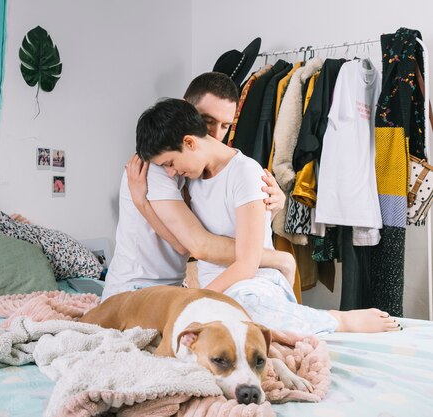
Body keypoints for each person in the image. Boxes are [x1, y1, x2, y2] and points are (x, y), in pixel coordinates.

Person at [134, 97, 401, 334]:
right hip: (215, 285)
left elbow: (247, 265)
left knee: (251, 313)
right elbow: (185, 243)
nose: (170, 172)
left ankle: (339, 321)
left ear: (190, 143)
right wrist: (140, 202)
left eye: (169, 163)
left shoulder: (244, 173)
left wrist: (197, 301)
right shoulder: (194, 177)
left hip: (252, 282)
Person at [102, 72, 292, 300]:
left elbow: (227, 228)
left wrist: (272, 207)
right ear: (186, 110)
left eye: (225, 126)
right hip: (134, 287)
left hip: (170, 286)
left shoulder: (203, 169)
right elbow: (195, 246)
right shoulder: (157, 164)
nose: (214, 135)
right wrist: (273, 258)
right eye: (207, 121)